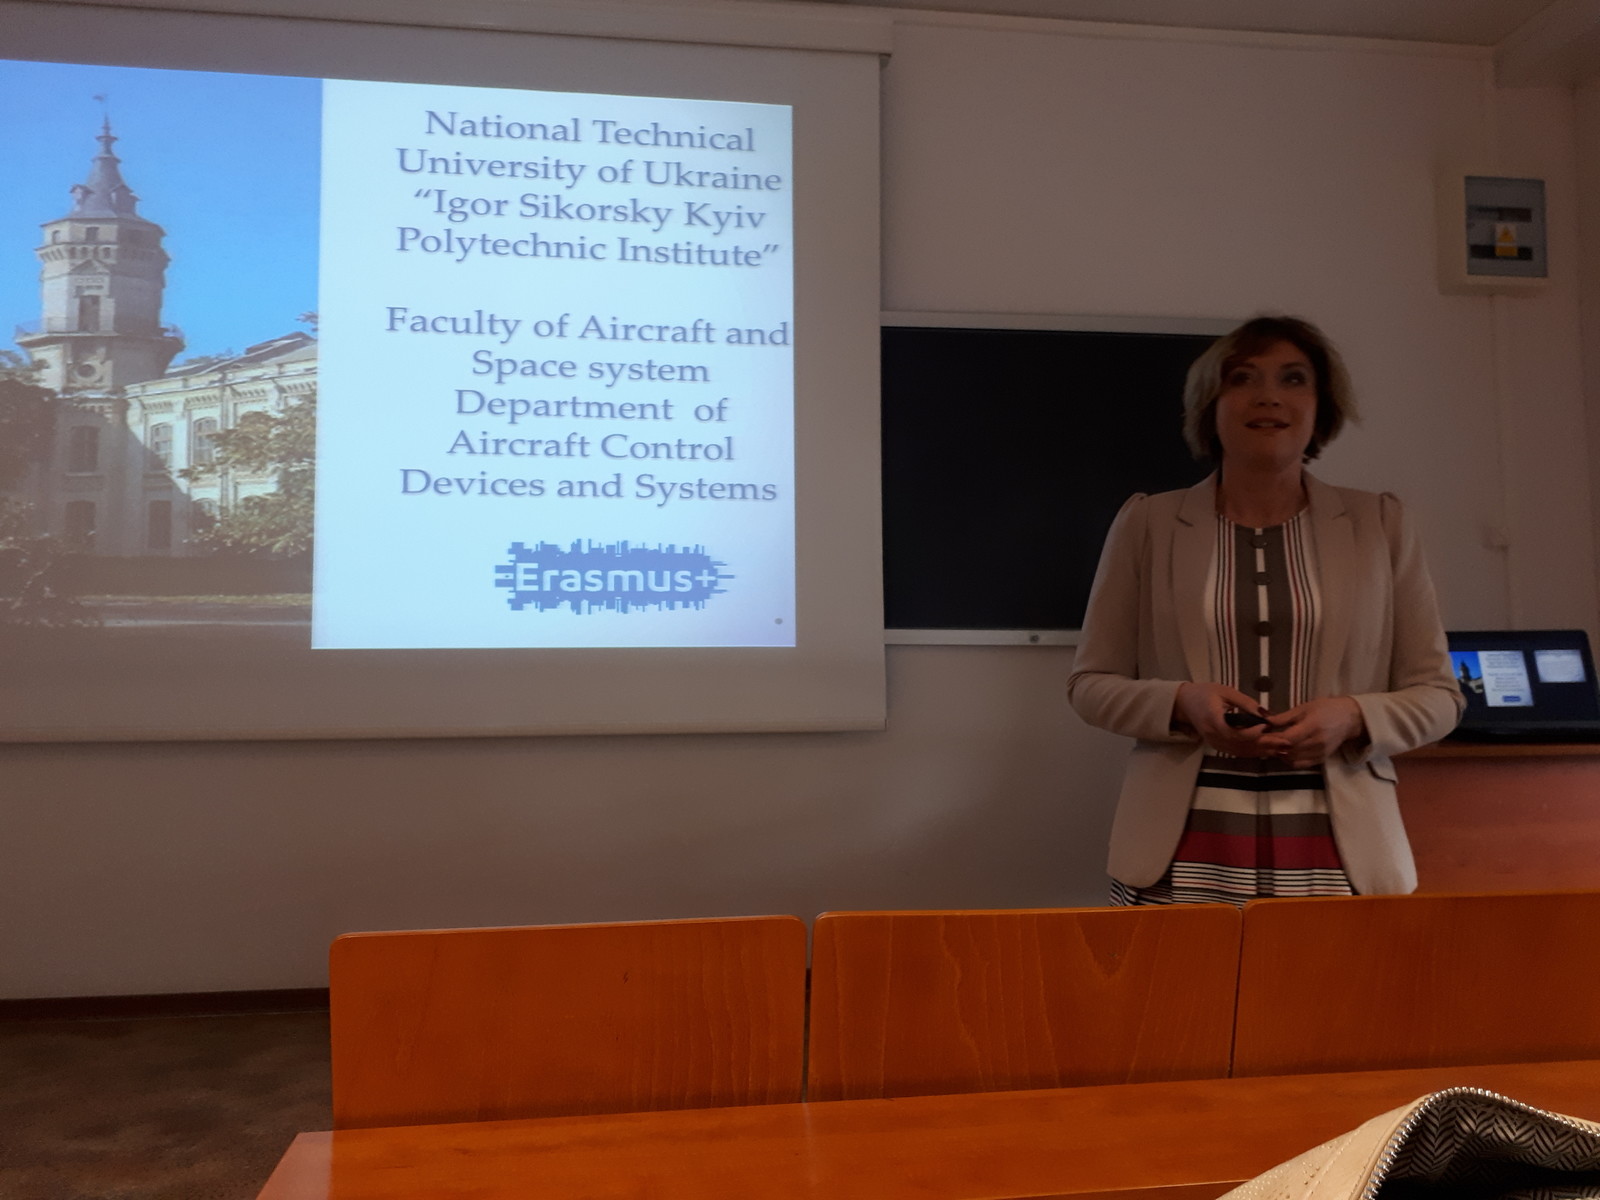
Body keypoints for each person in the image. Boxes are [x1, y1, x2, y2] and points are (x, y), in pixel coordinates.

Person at [1066, 315, 1462, 904]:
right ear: (1210, 406)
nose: (1269, 396)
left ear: (1321, 408)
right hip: (1179, 853)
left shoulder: (1380, 524)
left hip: (1342, 854)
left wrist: (1354, 716)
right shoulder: (1147, 523)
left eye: (1293, 379)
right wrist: (1181, 702)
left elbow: (1440, 696)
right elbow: (1090, 685)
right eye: (1242, 378)